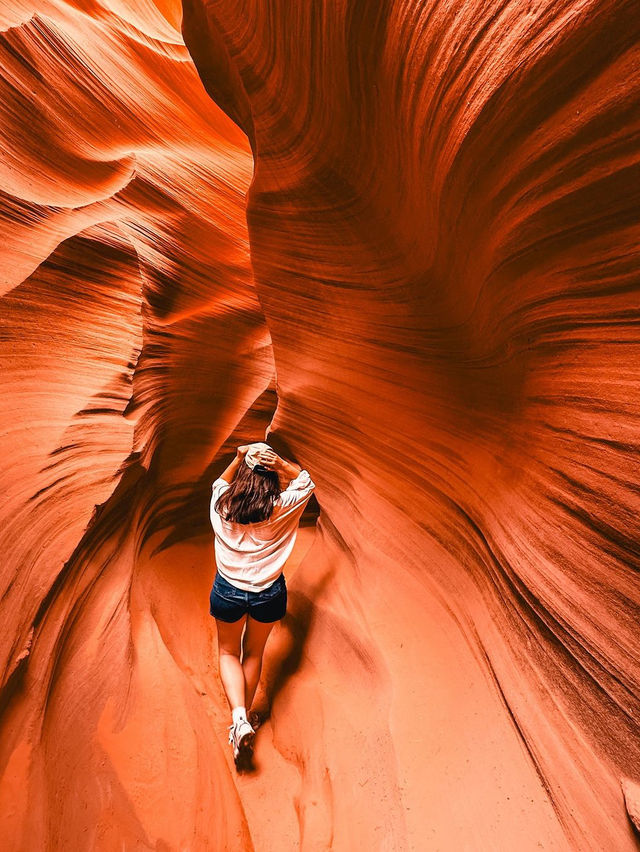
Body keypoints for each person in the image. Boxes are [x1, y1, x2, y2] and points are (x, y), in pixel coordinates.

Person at [209, 441, 316, 763]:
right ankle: (248, 715)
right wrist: (281, 464)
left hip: (227, 590)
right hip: (268, 592)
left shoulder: (221, 506)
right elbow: (306, 480)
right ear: (271, 481)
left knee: (228, 651)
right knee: (253, 653)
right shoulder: (283, 506)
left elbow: (220, 482)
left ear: (241, 478)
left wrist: (239, 457)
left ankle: (238, 718)